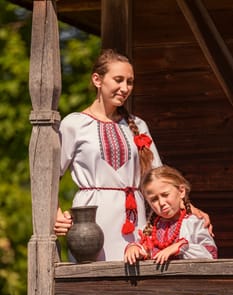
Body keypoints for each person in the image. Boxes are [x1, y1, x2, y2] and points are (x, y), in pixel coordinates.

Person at [54, 48, 212, 262]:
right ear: (97, 80)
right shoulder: (74, 124)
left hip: (135, 215)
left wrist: (190, 208)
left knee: (135, 281)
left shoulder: (138, 125)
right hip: (92, 218)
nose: (125, 88)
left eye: (130, 82)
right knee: (93, 282)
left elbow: (158, 176)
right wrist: (55, 213)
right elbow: (51, 176)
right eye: (118, 80)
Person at [124, 165, 218, 265]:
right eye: (154, 199)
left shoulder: (194, 223)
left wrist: (181, 247)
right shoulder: (149, 229)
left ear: (181, 191)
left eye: (165, 195)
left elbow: (210, 254)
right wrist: (134, 249)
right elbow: (143, 250)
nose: (161, 202)